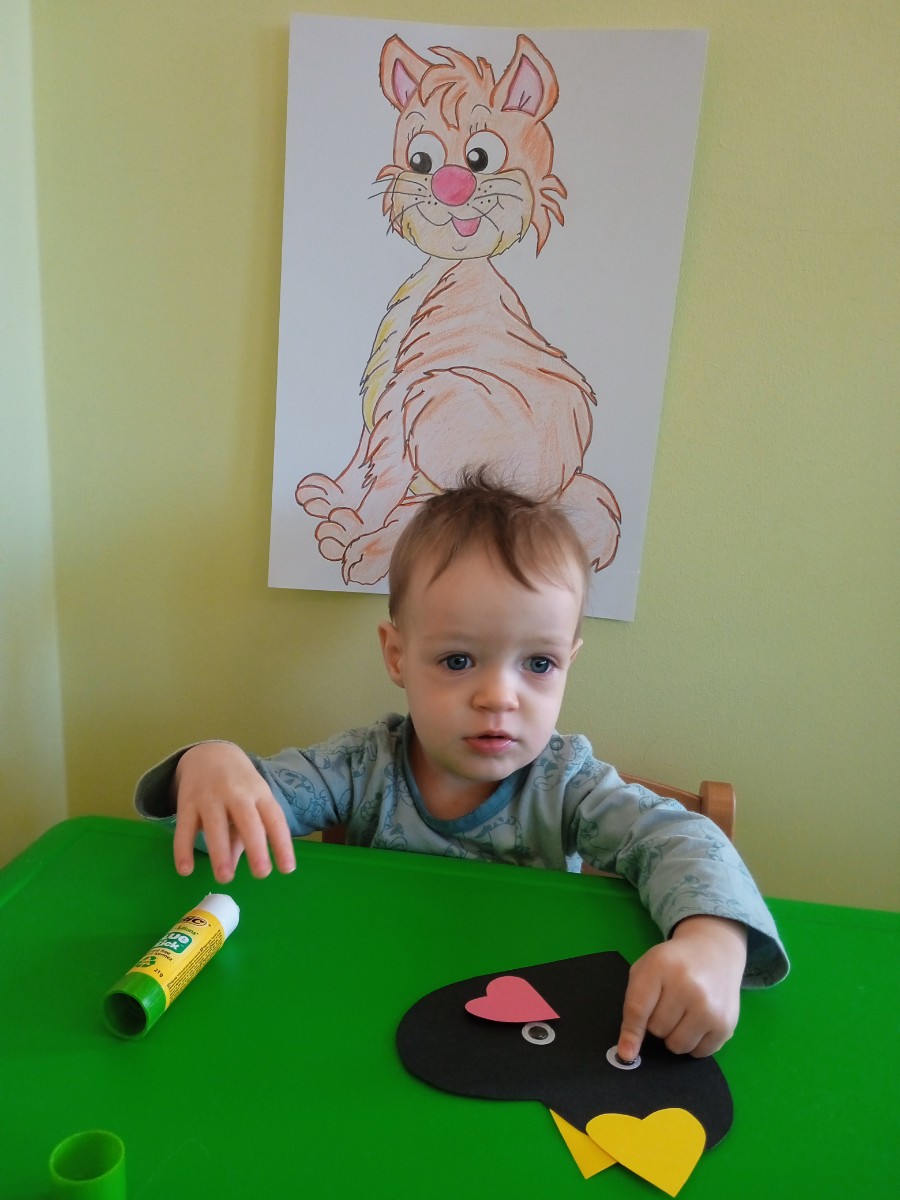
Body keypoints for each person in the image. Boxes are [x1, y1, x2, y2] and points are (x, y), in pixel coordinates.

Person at [135, 471, 788, 1062]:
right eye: (458, 660)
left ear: (570, 662)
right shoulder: (360, 767)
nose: (499, 696)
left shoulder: (568, 784)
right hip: (369, 1020)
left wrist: (713, 942)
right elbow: (233, 820)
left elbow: (681, 838)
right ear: (397, 655)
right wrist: (208, 763)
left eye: (538, 664)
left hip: (528, 1034)